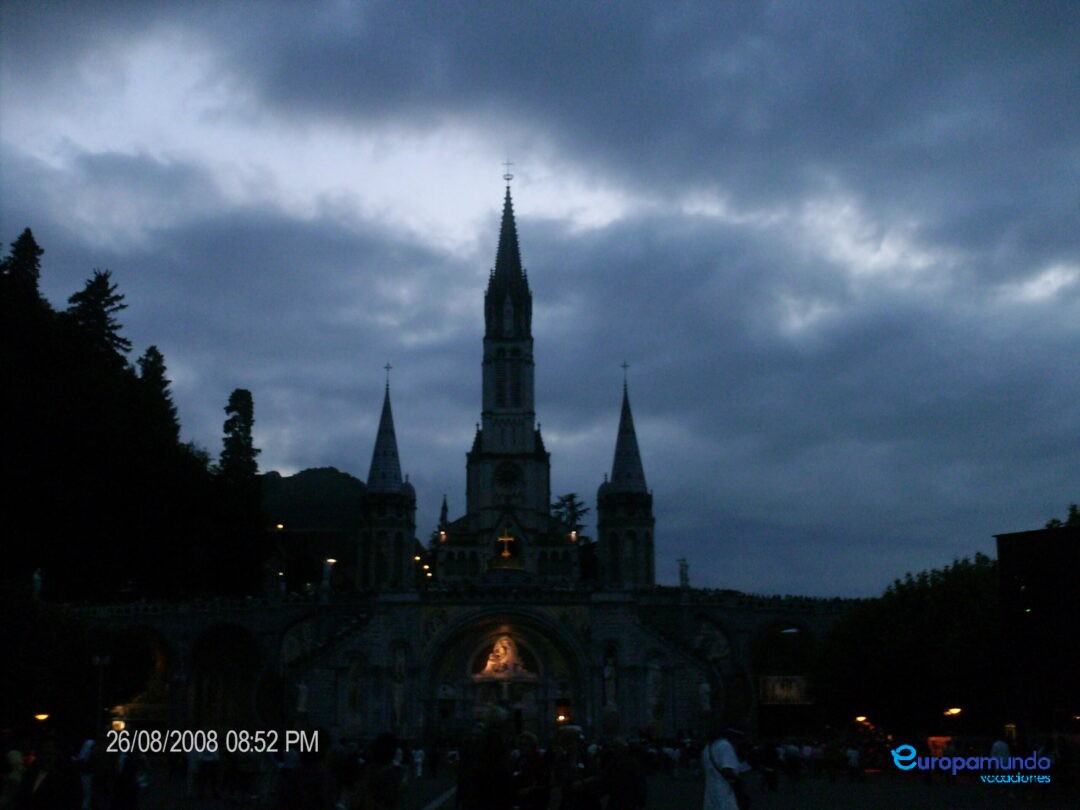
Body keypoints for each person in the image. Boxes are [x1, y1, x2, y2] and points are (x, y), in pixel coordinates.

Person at [702, 728, 747, 810]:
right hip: (725, 790)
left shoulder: (707, 748)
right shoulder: (725, 746)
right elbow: (727, 769)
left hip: (711, 790)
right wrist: (739, 781)